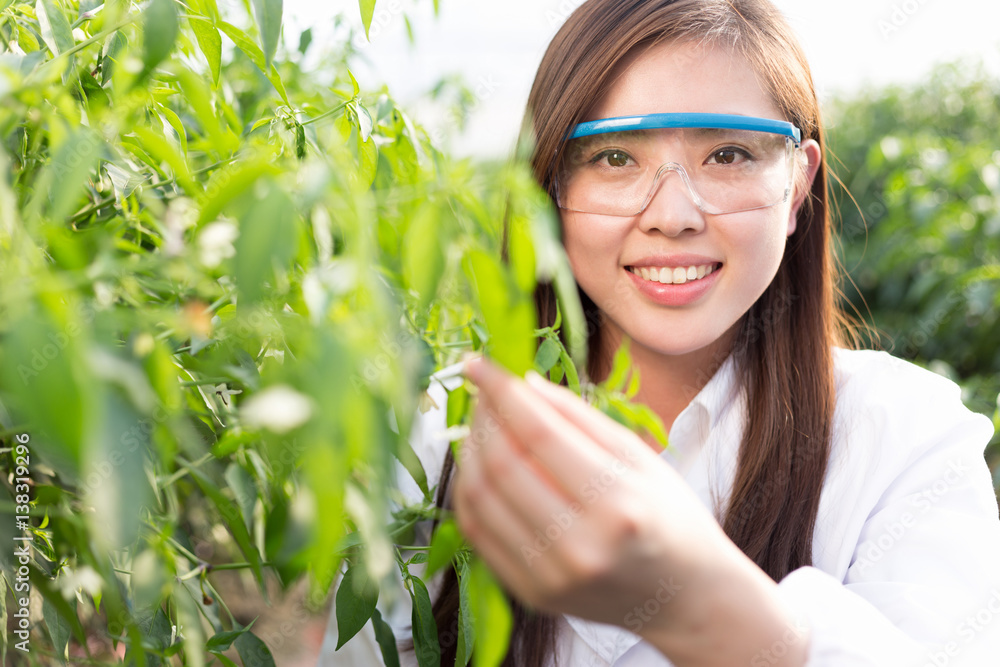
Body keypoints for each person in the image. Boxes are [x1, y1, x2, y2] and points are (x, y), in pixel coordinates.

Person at [319, 0, 1000, 665]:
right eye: (615, 158)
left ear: (797, 189)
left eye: (728, 155)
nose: (673, 214)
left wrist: (697, 602)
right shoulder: (437, 428)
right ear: (547, 188)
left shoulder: (905, 440)